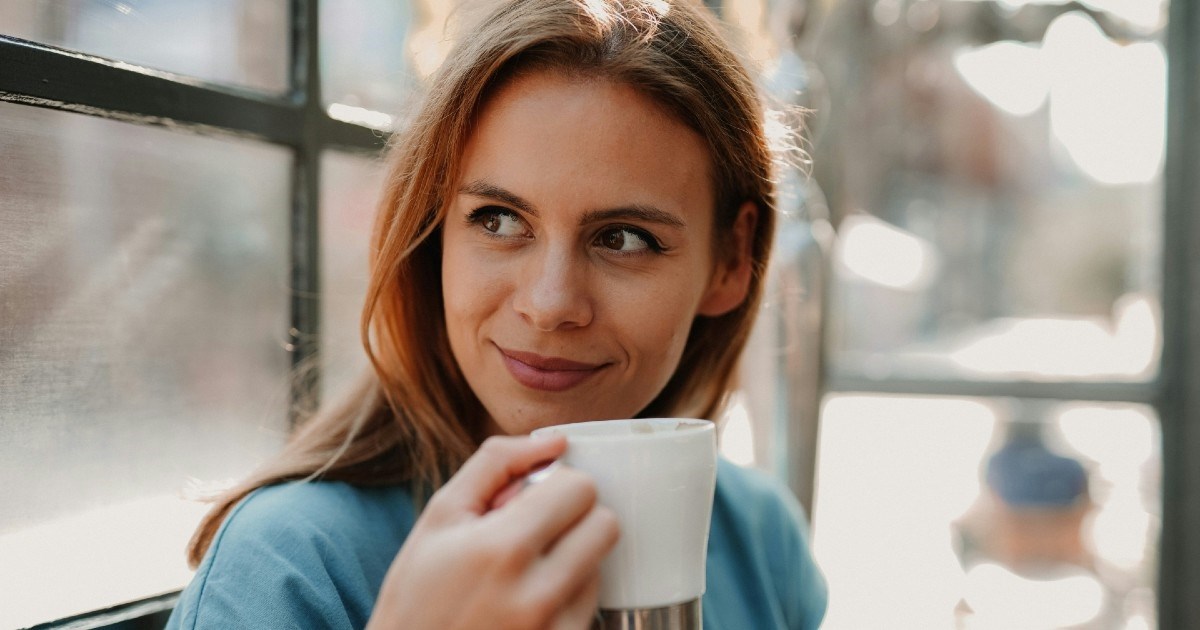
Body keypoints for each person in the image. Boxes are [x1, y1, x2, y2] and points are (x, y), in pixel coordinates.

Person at [166, 0, 827, 628]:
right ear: (434, 233)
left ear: (731, 260)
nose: (548, 305)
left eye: (623, 237)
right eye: (499, 220)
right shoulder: (288, 570)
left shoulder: (762, 546)